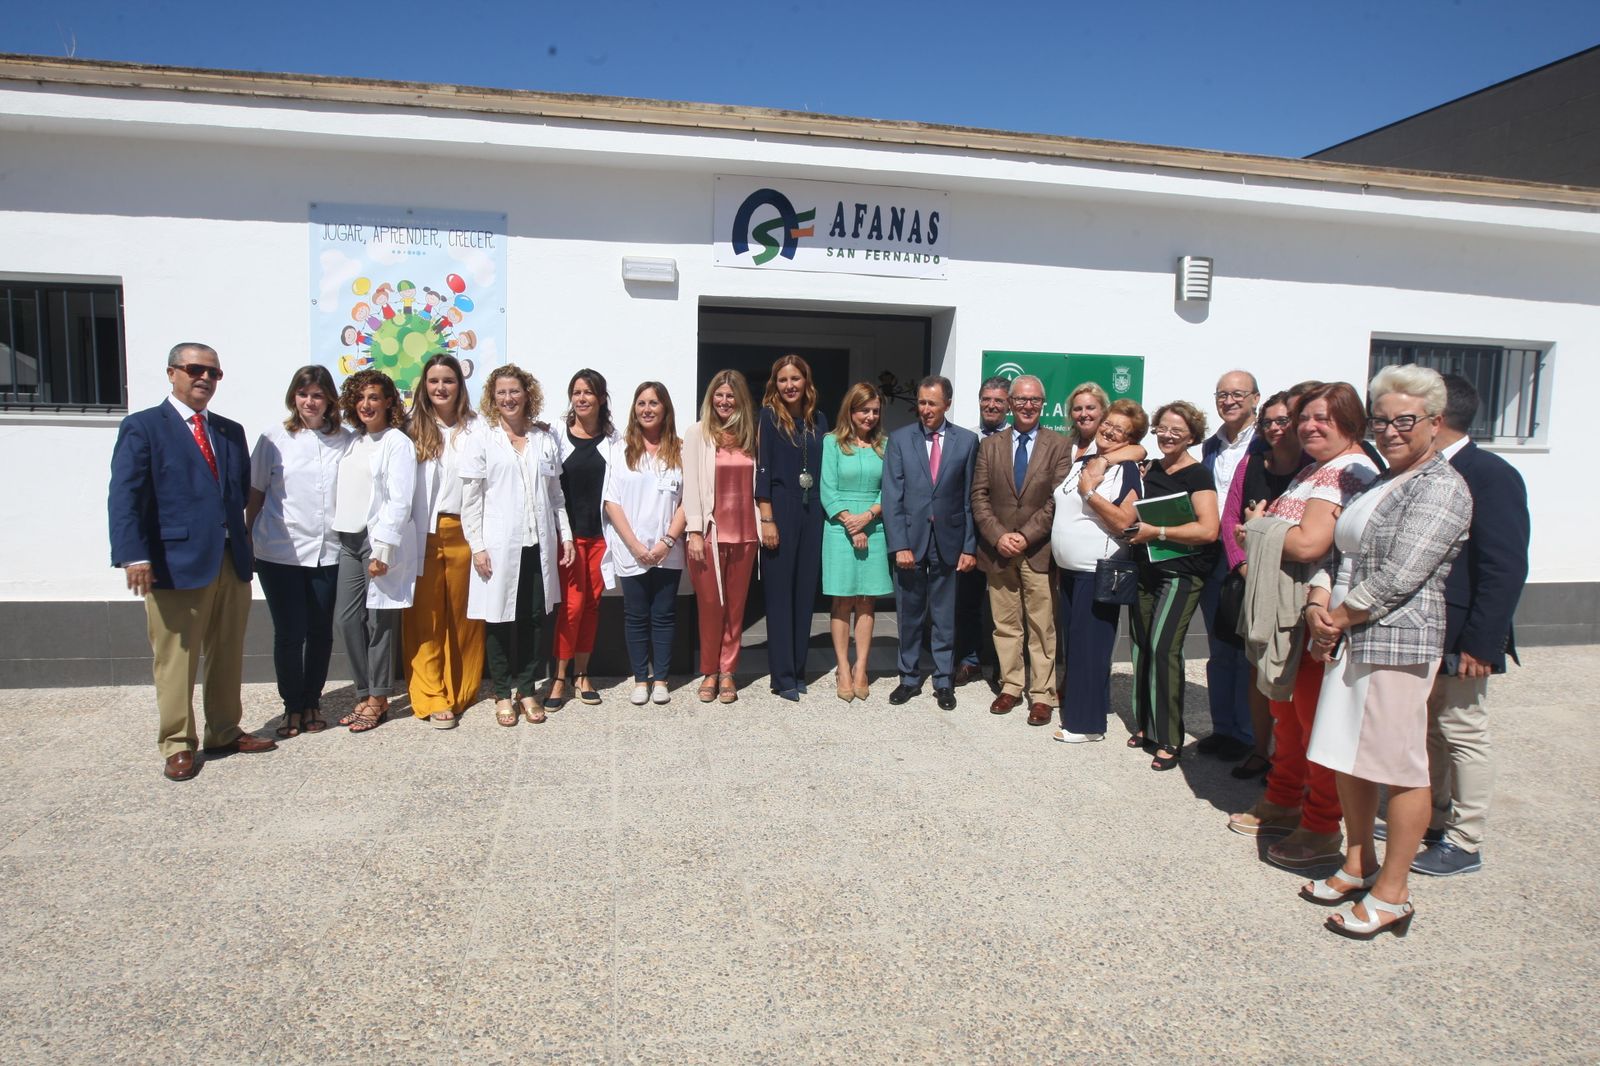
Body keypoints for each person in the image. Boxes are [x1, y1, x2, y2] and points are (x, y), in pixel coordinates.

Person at [1301, 365, 1472, 938]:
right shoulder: (1379, 482)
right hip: (1349, 632)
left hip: (1395, 640)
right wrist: (1318, 605)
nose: (1392, 431)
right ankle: (1358, 862)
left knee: (1399, 765)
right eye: (1382, 420)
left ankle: (1394, 892)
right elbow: (1338, 554)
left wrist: (1338, 620)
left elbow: (1402, 574)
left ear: (1433, 423)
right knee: (1349, 753)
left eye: (1405, 421)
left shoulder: (1441, 487)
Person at [1228, 382, 1380, 869]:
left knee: (1316, 722)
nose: (1309, 427)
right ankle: (1283, 797)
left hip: (1320, 613)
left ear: (1351, 421)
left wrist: (1258, 527)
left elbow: (1311, 544)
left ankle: (1320, 825)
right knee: (1286, 714)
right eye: (1304, 419)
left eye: (1323, 419)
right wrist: (1272, 529)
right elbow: (1293, 534)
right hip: (1290, 611)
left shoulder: (1350, 471)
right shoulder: (1315, 469)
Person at [109, 342, 277, 781]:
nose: (205, 378)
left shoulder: (228, 430)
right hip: (172, 562)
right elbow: (126, 496)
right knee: (177, 658)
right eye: (195, 369)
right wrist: (134, 555)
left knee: (226, 652)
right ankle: (178, 744)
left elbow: (238, 493)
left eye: (214, 372)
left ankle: (224, 730)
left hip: (229, 560)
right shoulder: (144, 427)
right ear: (172, 373)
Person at [1409, 373, 1529, 877]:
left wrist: (1484, 642)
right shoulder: (1425, 471)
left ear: (1438, 416)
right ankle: (1434, 820)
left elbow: (1505, 565)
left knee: (1463, 732)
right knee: (1430, 729)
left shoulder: (1489, 473)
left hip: (1466, 635)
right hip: (1430, 628)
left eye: (1406, 414)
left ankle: (1466, 838)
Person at [462, 365, 573, 727]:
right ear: (493, 399)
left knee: (534, 617)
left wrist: (566, 534)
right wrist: (477, 545)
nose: (508, 399)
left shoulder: (546, 439)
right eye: (501, 393)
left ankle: (526, 689)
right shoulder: (483, 439)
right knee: (497, 619)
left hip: (537, 542)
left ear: (528, 394)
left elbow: (556, 495)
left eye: (514, 391)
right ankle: (501, 692)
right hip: (497, 545)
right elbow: (472, 499)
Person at [246, 365, 352, 738]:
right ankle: (291, 705)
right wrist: (247, 539)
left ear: (329, 400)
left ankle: (312, 702)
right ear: (294, 397)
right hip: (280, 551)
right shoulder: (274, 438)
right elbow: (256, 492)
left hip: (328, 551)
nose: (310, 401)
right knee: (290, 632)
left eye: (318, 395)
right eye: (303, 394)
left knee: (321, 631)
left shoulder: (345, 440)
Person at [971, 374, 1071, 725]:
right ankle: (1011, 685)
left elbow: (1057, 499)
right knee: (1006, 623)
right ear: (1010, 403)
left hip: (1038, 550)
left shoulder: (1059, 445)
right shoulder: (990, 445)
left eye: (1035, 401)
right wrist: (998, 536)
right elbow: (979, 496)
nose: (1028, 406)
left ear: (1043, 404)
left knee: (1042, 625)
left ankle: (1042, 693)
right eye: (1021, 400)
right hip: (998, 550)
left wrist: (1025, 537)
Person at [1219, 390, 1309, 779]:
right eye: (1268, 422)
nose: (1274, 428)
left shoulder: (1313, 468)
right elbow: (1229, 519)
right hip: (1252, 577)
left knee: (1293, 673)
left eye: (1282, 421)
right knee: (1257, 667)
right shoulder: (1253, 461)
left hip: (1296, 583)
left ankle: (1297, 760)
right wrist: (1241, 564)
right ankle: (1261, 748)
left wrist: (1256, 530)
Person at [1125, 401, 1220, 770]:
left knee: (1165, 648)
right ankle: (1145, 725)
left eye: (1176, 431)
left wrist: (1158, 531)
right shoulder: (1147, 469)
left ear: (1192, 437)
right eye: (1162, 428)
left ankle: (1169, 737)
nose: (1167, 436)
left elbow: (1208, 530)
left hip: (1181, 572)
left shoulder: (1198, 476)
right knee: (1141, 647)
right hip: (1144, 569)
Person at [1051, 399, 1145, 743]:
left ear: (1130, 439)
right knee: (1078, 645)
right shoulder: (1087, 460)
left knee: (1090, 647)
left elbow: (1124, 522)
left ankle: (1085, 725)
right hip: (1071, 569)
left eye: (1119, 429)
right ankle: (1095, 706)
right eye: (1108, 423)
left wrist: (1089, 493)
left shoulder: (1128, 470)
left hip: (1097, 569)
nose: (1108, 430)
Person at [882, 375, 978, 711]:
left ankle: (942, 680)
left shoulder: (966, 441)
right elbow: (892, 496)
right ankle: (908, 678)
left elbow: (969, 498)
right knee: (909, 613)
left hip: (949, 542)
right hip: (911, 540)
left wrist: (969, 546)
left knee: (944, 615)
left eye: (932, 404)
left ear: (947, 404)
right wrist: (899, 545)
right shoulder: (899, 440)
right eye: (921, 403)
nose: (925, 410)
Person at [331, 369, 419, 733]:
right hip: (349, 541)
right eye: (360, 398)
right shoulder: (353, 441)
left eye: (374, 397)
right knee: (347, 619)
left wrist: (383, 548)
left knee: (379, 620)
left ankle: (379, 698)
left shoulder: (396, 442)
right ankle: (364, 691)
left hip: (377, 539)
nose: (366, 404)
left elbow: (400, 499)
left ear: (388, 402)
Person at [403, 353, 484, 729]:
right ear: (425, 386)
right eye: (434, 381)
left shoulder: (479, 428)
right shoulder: (408, 429)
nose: (441, 388)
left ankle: (462, 689)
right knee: (425, 618)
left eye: (448, 381)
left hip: (464, 531)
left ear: (460, 385)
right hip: (421, 531)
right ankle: (432, 693)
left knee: (465, 617)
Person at [604, 382, 687, 705]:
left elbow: (687, 500)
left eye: (654, 403)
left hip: (669, 548)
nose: (647, 409)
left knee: (664, 614)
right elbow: (612, 502)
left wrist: (667, 541)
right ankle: (641, 679)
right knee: (635, 615)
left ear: (665, 408)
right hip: (631, 549)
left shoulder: (680, 450)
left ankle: (662, 679)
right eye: (641, 403)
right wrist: (636, 545)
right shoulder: (620, 449)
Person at [682, 370, 761, 704]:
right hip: (710, 535)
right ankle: (709, 671)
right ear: (710, 398)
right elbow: (691, 487)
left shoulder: (751, 435)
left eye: (731, 396)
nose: (724, 401)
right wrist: (695, 531)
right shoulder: (698, 434)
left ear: (740, 399)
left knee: (736, 608)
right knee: (711, 607)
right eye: (719, 395)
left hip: (745, 535)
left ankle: (728, 670)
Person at [756, 355, 829, 701]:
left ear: (806, 382)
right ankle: (782, 675)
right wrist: (766, 519)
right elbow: (763, 470)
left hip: (813, 508)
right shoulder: (768, 418)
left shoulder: (820, 420)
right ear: (775, 384)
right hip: (780, 507)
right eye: (783, 380)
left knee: (804, 594)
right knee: (779, 595)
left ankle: (799, 670)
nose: (789, 386)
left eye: (795, 379)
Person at [1198, 370, 1260, 759]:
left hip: (1250, 558)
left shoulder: (1266, 445)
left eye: (1238, 394)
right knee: (1220, 644)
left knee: (1247, 648)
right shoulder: (1211, 446)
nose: (1229, 400)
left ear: (1256, 397)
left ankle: (1250, 733)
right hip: (1212, 557)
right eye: (1222, 394)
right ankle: (1223, 728)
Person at [820, 382, 892, 701]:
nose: (870, 416)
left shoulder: (885, 446)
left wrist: (869, 516)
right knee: (842, 600)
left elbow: (889, 489)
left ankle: (862, 666)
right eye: (864, 410)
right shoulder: (832, 443)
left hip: (874, 527)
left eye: (875, 411)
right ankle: (843, 667)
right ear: (851, 410)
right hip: (839, 527)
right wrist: (851, 521)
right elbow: (827, 489)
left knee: (867, 600)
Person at [550, 369, 617, 709]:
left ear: (601, 398)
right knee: (572, 608)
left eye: (588, 392)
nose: (582, 398)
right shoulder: (556, 436)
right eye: (576, 392)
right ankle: (559, 677)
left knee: (591, 606)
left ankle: (582, 674)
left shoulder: (613, 441)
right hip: (569, 541)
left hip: (600, 538)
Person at [954, 375, 1012, 686]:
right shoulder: (967, 438)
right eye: (986, 400)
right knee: (968, 602)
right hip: (971, 536)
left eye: (998, 401)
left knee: (1006, 604)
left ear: (1009, 405)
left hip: (1004, 535)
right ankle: (970, 659)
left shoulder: (1016, 439)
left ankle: (1006, 666)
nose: (991, 405)